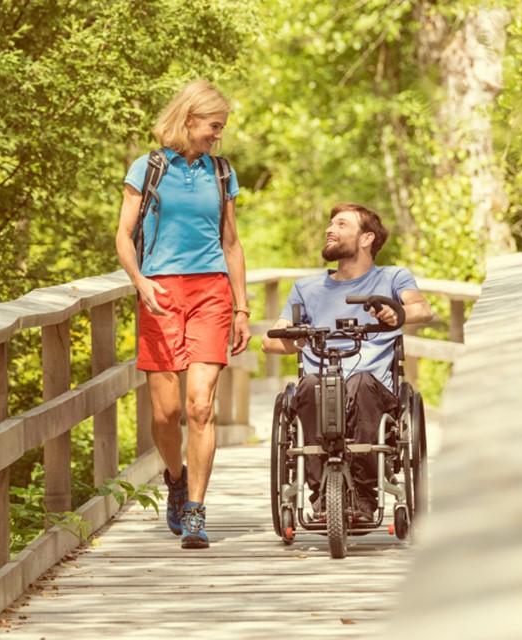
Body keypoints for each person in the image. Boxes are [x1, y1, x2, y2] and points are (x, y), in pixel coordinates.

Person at [114, 80, 252, 549]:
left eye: (221, 128)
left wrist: (242, 307)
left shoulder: (221, 172)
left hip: (211, 291)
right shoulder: (148, 167)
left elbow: (231, 243)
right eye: (214, 127)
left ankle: (195, 510)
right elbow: (123, 234)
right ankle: (175, 478)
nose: (218, 136)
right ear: (189, 119)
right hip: (160, 293)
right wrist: (140, 282)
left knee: (199, 406)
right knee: (166, 412)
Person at [260, 203, 433, 521]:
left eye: (341, 224)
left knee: (360, 382)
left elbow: (423, 309)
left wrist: (398, 313)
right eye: (330, 224)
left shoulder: (392, 277)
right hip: (320, 386)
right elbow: (270, 340)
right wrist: (297, 337)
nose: (330, 229)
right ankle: (323, 497)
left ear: (366, 238)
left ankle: (364, 497)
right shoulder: (307, 289)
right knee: (312, 385)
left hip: (372, 390)